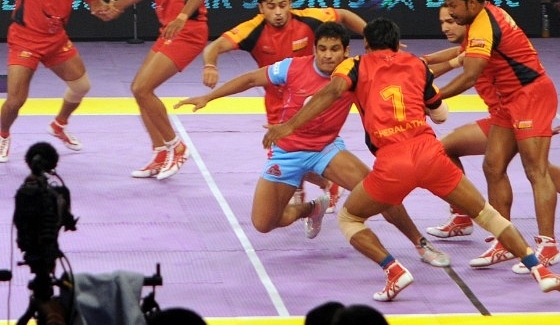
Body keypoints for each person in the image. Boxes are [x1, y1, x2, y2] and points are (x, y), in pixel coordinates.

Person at [262, 17, 560, 301]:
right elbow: (440, 115)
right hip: (430, 155)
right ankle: (541, 271)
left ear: (366, 45)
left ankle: (393, 269)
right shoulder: (416, 65)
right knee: (489, 215)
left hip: (392, 162)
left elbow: (330, 93)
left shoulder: (352, 66)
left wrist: (288, 125)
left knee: (349, 218)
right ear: (398, 45)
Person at [176, 22, 450, 267]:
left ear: (345, 51)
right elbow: (250, 79)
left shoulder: (356, 71)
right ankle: (312, 209)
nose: (328, 55)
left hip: (327, 149)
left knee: (383, 193)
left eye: (334, 49)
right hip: (286, 153)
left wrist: (457, 59)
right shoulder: (292, 67)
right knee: (264, 223)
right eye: (322, 49)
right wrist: (208, 97)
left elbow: (410, 69)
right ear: (315, 49)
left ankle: (419, 242)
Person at [424, 5, 560, 268]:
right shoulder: (470, 45)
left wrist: (431, 97)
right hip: (502, 114)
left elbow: (463, 71)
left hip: (525, 105)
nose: (447, 26)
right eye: (442, 22)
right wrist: (414, 64)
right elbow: (444, 59)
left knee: (537, 168)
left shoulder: (482, 38)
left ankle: (557, 236)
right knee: (462, 153)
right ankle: (468, 220)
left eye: (452, 20)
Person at [439, 0, 560, 275]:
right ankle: (504, 241)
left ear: (471, 3)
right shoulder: (479, 19)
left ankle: (548, 245)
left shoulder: (484, 24)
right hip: (507, 102)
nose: (451, 12)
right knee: (492, 166)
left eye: (453, 6)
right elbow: (457, 57)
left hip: (531, 95)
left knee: (536, 171)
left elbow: (469, 75)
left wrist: (431, 100)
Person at [202, 0, 366, 211]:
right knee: (286, 154)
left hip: (312, 96)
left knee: (307, 151)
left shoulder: (308, 18)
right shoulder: (252, 29)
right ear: (261, 8)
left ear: (290, 4)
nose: (278, 12)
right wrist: (210, 65)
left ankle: (329, 182)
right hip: (278, 103)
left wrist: (370, 38)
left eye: (282, 5)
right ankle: (321, 183)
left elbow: (344, 15)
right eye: (271, 6)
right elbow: (214, 47)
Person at [0, 0, 112, 163]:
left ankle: (59, 124)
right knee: (16, 100)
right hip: (25, 38)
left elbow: (95, 4)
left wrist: (107, 10)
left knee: (81, 85)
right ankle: (3, 135)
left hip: (56, 39)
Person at [106, 0, 211, 180]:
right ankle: (161, 152)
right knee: (138, 89)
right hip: (170, 31)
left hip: (188, 31)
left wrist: (183, 16)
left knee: (143, 89)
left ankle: (177, 146)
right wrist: (117, 6)